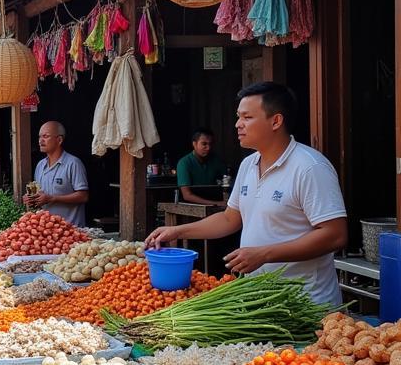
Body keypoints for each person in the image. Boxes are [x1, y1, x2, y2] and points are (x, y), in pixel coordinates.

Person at [145, 82, 348, 304]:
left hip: (307, 303)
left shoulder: (310, 167)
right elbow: (229, 219)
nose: (238, 125)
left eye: (247, 117)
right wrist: (176, 232)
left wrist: (265, 254)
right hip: (259, 299)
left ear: (276, 121)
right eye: (238, 117)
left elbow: (335, 235)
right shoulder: (248, 164)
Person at [23, 121, 89, 226]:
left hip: (71, 230)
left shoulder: (73, 163)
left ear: (59, 140)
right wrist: (31, 198)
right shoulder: (40, 165)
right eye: (40, 137)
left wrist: (52, 198)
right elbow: (40, 195)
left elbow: (83, 196)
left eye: (45, 136)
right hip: (48, 232)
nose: (40, 141)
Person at [176, 128, 226, 205]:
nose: (208, 148)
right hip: (192, 206)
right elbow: (187, 195)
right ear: (194, 144)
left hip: (215, 200)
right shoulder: (184, 163)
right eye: (204, 144)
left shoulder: (216, 160)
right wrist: (216, 203)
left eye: (211, 144)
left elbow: (227, 182)